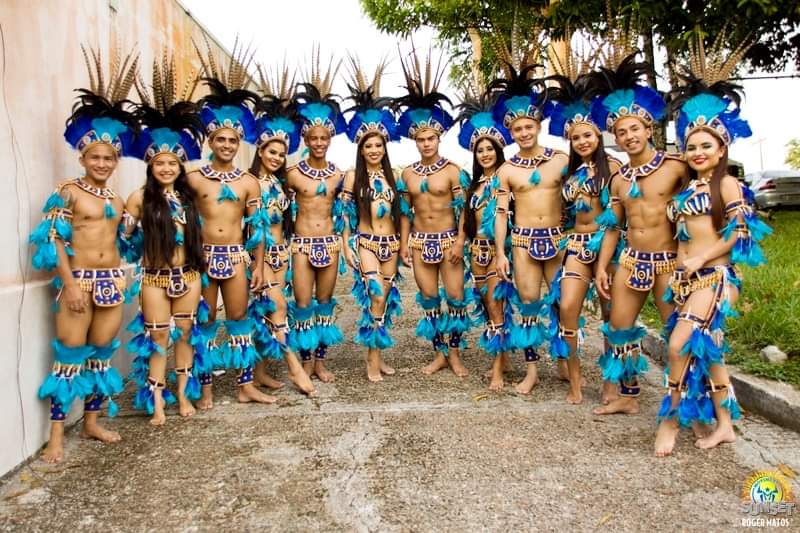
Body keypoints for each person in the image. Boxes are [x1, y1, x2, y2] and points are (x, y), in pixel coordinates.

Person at [654, 34, 770, 456]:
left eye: (707, 145)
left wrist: (701, 257)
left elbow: (741, 232)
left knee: (678, 345)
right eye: (691, 146)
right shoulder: (686, 189)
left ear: (722, 147)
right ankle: (725, 425)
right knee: (710, 355)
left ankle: (669, 419)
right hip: (685, 281)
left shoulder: (728, 184)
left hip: (714, 277)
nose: (698, 151)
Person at [30, 45, 139, 462]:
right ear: (83, 156)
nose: (102, 162)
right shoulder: (67, 191)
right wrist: (71, 283)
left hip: (112, 282)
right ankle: (57, 435)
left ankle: (92, 422)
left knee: (100, 355)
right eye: (95, 156)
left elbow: (121, 238)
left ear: (114, 161)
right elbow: (55, 239)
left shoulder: (113, 195)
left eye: (108, 158)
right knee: (68, 358)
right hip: (78, 283)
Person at [592, 47, 688, 416]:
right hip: (632, 261)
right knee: (619, 327)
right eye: (621, 131)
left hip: (669, 262)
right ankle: (629, 396)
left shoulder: (677, 167)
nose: (629, 135)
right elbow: (613, 227)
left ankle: (682, 404)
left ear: (649, 129)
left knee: (675, 333)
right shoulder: (618, 179)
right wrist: (603, 266)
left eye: (634, 128)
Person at [188, 40, 274, 408]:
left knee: (239, 321)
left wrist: (258, 265)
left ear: (239, 143)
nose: (226, 144)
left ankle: (245, 386)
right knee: (205, 324)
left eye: (232, 140)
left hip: (237, 257)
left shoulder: (248, 182)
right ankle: (205, 388)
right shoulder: (193, 179)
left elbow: (258, 229)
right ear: (210, 141)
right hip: (204, 259)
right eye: (220, 139)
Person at [123, 53, 207, 425]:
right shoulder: (139, 198)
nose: (167, 167)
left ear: (179, 165)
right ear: (151, 166)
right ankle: (156, 402)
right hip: (155, 278)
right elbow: (124, 240)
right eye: (160, 163)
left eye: (173, 162)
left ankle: (183, 396)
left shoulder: (189, 198)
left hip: (188, 276)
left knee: (185, 335)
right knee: (158, 340)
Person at [544, 57, 622, 404]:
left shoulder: (617, 167)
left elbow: (621, 215)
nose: (582, 141)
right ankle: (575, 379)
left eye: (587, 135)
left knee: (612, 315)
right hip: (576, 244)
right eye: (575, 137)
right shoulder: (569, 174)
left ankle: (610, 383)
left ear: (598, 135)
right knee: (567, 308)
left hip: (610, 246)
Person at [490, 63, 570, 394]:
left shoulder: (562, 159)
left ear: (537, 126)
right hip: (522, 242)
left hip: (558, 240)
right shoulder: (506, 170)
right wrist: (500, 253)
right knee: (528, 305)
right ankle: (532, 370)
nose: (523, 133)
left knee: (563, 303)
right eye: (517, 129)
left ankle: (566, 360)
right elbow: (500, 214)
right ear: (511, 132)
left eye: (528, 126)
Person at [394, 47, 471, 377]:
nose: (426, 143)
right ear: (415, 141)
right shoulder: (407, 174)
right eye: (421, 139)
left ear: (439, 137)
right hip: (419, 242)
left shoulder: (454, 171)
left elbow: (464, 210)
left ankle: (454, 355)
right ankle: (439, 353)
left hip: (448, 240)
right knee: (429, 299)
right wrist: (403, 245)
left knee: (454, 297)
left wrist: (459, 242)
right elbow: (405, 213)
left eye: (431, 138)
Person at [247, 65, 315, 395]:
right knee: (278, 309)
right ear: (260, 151)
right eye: (271, 152)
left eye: (281, 153)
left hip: (280, 255)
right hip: (257, 258)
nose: (276, 157)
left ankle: (259, 373)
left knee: (264, 312)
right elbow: (253, 227)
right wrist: (257, 264)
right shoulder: (251, 184)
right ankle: (294, 367)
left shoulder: (277, 182)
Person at [340, 56, 403, 382]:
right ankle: (370, 360)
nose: (374, 150)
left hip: (391, 243)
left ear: (384, 148)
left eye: (378, 145)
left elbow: (402, 214)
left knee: (386, 301)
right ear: (361, 150)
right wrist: (345, 245)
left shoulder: (395, 178)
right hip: (366, 243)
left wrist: (403, 245)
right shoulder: (352, 177)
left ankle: (379, 355)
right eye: (369, 146)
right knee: (375, 294)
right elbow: (345, 216)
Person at [285, 49, 347, 383]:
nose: (319, 142)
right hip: (301, 245)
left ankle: (320, 363)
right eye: (313, 138)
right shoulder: (293, 174)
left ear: (330, 139)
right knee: (303, 305)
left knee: (324, 304)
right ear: (306, 140)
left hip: (331, 243)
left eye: (324, 138)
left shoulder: (340, 175)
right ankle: (305, 362)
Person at [455, 92, 514, 390]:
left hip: (497, 252)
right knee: (488, 305)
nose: (485, 154)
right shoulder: (474, 185)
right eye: (480, 151)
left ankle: (498, 370)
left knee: (495, 305)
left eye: (490, 149)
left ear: (498, 150)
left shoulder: (507, 177)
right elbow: (468, 221)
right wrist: (460, 242)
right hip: (475, 252)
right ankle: (501, 357)